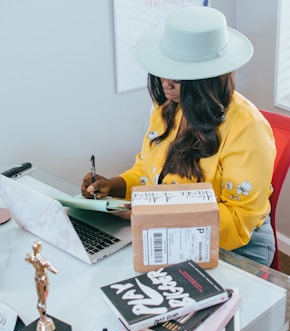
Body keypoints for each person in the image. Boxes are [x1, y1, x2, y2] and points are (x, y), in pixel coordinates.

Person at [81, 7, 276, 266]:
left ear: (209, 78)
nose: (166, 83)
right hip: (169, 229)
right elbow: (149, 170)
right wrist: (114, 186)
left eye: (180, 77)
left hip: (236, 246)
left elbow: (238, 221)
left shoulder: (247, 128)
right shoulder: (167, 109)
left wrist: (154, 215)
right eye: (164, 70)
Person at [25, 241, 58, 331]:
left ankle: (42, 318)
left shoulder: (30, 257)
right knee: (43, 299)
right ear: (39, 248)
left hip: (37, 277)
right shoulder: (43, 261)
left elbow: (26, 259)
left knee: (40, 297)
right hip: (43, 280)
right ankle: (43, 319)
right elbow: (54, 271)